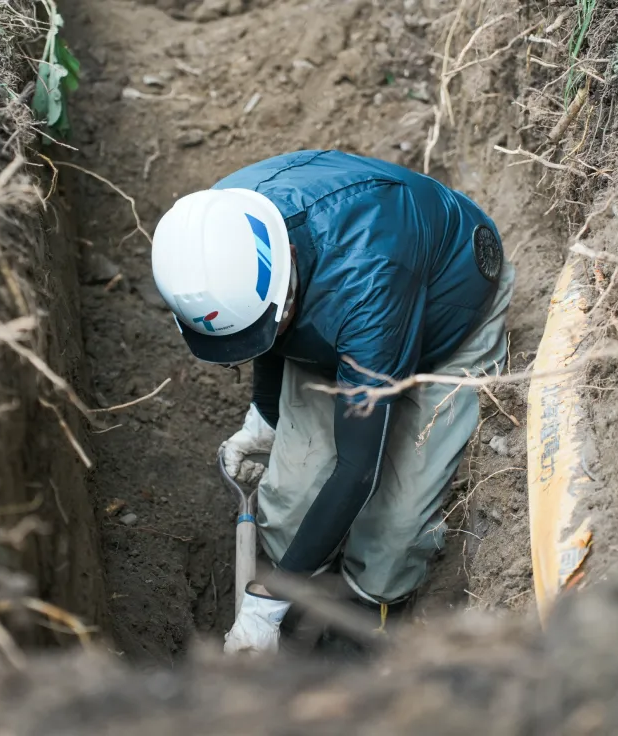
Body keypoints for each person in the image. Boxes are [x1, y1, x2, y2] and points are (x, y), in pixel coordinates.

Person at [151, 150, 515, 655]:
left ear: (289, 270)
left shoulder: (367, 279)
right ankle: (307, 596)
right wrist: (265, 415)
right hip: (338, 323)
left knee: (394, 533)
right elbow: (265, 330)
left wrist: (265, 602)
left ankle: (364, 624)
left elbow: (357, 469)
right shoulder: (221, 229)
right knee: (288, 506)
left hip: (446, 321)